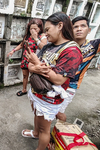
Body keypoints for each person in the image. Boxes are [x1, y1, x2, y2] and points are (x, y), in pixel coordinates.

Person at [21, 12, 82, 150]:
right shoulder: (49, 46)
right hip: (37, 91)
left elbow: (59, 79)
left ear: (60, 26)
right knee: (37, 116)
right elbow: (30, 65)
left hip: (49, 99)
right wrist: (36, 66)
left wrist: (37, 65)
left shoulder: (71, 50)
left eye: (47, 30)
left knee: (45, 129)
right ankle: (35, 133)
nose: (45, 34)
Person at [56, 16, 100, 121]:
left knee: (59, 113)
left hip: (71, 85)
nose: (79, 29)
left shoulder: (92, 46)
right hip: (56, 81)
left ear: (89, 30)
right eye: (75, 27)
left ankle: (60, 133)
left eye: (83, 26)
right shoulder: (65, 44)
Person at [7, 18, 47, 96]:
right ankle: (24, 89)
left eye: (35, 28)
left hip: (35, 61)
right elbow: (22, 45)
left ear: (40, 28)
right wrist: (13, 50)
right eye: (31, 28)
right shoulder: (27, 36)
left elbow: (44, 48)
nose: (33, 30)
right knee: (25, 75)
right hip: (25, 59)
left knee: (34, 77)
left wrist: (36, 38)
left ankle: (34, 91)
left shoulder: (42, 36)